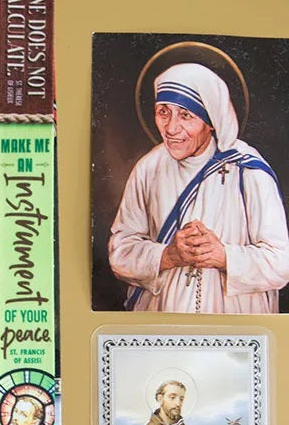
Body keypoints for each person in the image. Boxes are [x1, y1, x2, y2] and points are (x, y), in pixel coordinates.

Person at [108, 62, 289, 314]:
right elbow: (120, 253)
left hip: (234, 322)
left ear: (211, 120)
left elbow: (282, 263)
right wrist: (167, 256)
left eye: (186, 115)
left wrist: (224, 257)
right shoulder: (148, 169)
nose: (171, 128)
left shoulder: (248, 170)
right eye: (163, 112)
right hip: (163, 321)